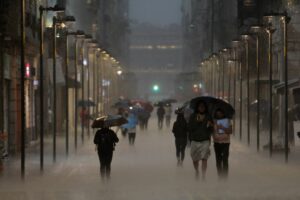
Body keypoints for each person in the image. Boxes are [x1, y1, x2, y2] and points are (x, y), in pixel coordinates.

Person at [188, 101, 214, 180]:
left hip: (205, 140)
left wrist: (210, 126)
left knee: (204, 158)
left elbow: (212, 130)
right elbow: (189, 128)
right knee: (194, 158)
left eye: (203, 106)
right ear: (197, 108)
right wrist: (197, 122)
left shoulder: (208, 116)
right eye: (200, 106)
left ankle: (203, 175)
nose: (202, 108)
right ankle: (197, 171)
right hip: (195, 140)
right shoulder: (193, 116)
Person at [213, 108, 232, 180]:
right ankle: (220, 176)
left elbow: (230, 131)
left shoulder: (228, 121)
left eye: (220, 113)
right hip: (216, 142)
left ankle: (225, 177)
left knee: (225, 159)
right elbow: (212, 132)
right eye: (218, 113)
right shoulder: (214, 121)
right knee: (218, 160)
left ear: (223, 113)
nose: (219, 115)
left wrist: (222, 127)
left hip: (225, 143)